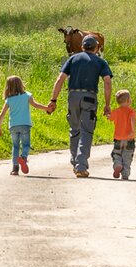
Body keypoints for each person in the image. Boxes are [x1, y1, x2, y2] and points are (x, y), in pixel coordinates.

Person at [48, 34, 112, 178]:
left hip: (73, 97)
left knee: (74, 129)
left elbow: (60, 79)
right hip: (89, 97)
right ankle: (81, 166)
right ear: (97, 48)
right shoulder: (100, 62)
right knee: (86, 131)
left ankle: (75, 161)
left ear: (82, 47)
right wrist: (107, 104)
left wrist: (53, 100)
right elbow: (107, 82)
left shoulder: (72, 59)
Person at [0, 75, 49, 176]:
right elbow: (36, 105)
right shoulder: (27, 95)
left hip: (13, 126)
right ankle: (23, 157)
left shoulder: (9, 99)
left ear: (8, 87)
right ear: (21, 84)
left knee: (15, 146)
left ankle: (15, 169)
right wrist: (47, 108)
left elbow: (2, 114)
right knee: (26, 145)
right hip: (25, 124)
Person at [107, 89, 136, 180]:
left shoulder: (116, 111)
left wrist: (108, 114)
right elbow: (133, 120)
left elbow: (110, 118)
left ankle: (117, 164)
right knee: (127, 157)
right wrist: (133, 131)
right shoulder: (131, 111)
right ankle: (125, 174)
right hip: (129, 139)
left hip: (118, 138)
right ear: (128, 100)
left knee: (116, 154)